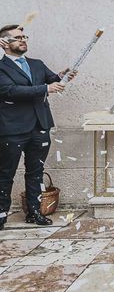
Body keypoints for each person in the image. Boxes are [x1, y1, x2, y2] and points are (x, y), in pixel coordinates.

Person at [0, 25, 76, 228]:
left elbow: (52, 80)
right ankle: (1, 214)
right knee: (6, 173)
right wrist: (46, 88)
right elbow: (10, 91)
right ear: (4, 43)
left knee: (35, 171)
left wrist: (63, 76)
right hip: (13, 129)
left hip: (40, 126)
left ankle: (34, 212)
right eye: (17, 38)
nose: (23, 40)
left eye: (24, 36)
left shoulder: (37, 64)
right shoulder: (1, 68)